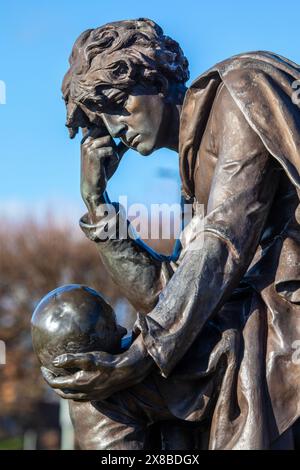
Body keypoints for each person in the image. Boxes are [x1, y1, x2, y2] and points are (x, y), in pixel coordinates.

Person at [42, 18, 300, 449]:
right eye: (100, 119)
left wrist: (143, 354)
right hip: (246, 324)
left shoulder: (239, 90)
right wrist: (99, 206)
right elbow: (171, 297)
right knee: (97, 391)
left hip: (284, 319)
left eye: (117, 102)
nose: (113, 127)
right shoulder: (192, 172)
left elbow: (224, 243)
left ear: (156, 78)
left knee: (120, 385)